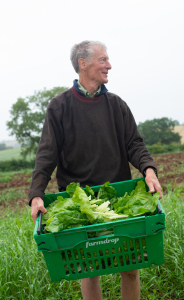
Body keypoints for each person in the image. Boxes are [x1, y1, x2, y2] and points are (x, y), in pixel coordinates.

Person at [29, 40, 162, 300]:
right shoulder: (59, 106)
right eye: (103, 60)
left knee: (131, 268)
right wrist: (37, 192)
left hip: (119, 200)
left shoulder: (116, 105)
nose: (109, 65)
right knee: (89, 270)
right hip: (80, 204)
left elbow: (134, 143)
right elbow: (47, 154)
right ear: (83, 63)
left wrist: (148, 169)